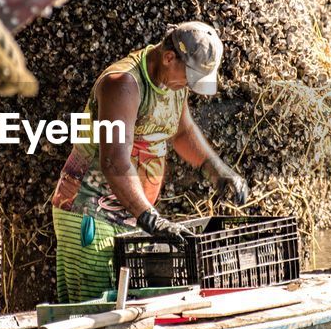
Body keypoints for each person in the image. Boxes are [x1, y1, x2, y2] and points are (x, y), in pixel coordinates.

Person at [50, 22, 248, 303]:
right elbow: (115, 162)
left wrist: (218, 171)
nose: (188, 86)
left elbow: (182, 131)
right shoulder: (123, 84)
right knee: (94, 313)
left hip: (131, 214)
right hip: (90, 214)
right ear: (169, 57)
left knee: (125, 306)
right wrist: (152, 219)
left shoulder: (172, 82)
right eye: (189, 77)